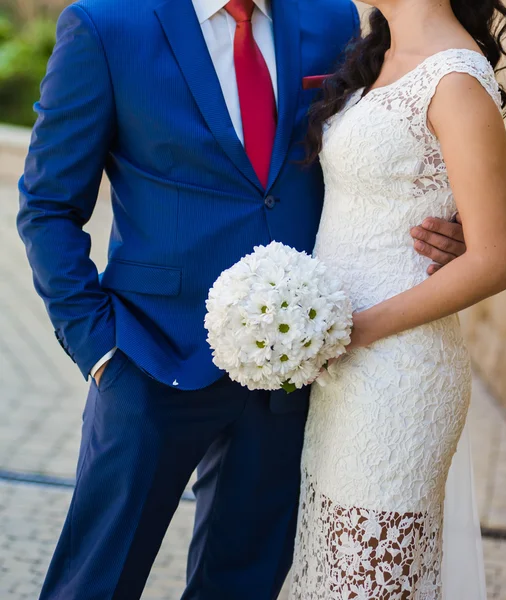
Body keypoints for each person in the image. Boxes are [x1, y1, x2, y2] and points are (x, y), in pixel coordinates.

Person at [16, 1, 467, 598]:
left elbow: (375, 148)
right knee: (95, 581)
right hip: (149, 357)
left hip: (293, 371)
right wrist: (98, 347)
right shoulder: (106, 25)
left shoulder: (332, 19)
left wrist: (441, 214)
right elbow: (48, 206)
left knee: (244, 585)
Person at [289, 1, 506, 598]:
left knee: (372, 579)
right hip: (340, 369)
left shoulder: (457, 78)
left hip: (400, 375)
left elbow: (496, 258)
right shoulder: (379, 54)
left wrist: (356, 330)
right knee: (332, 569)